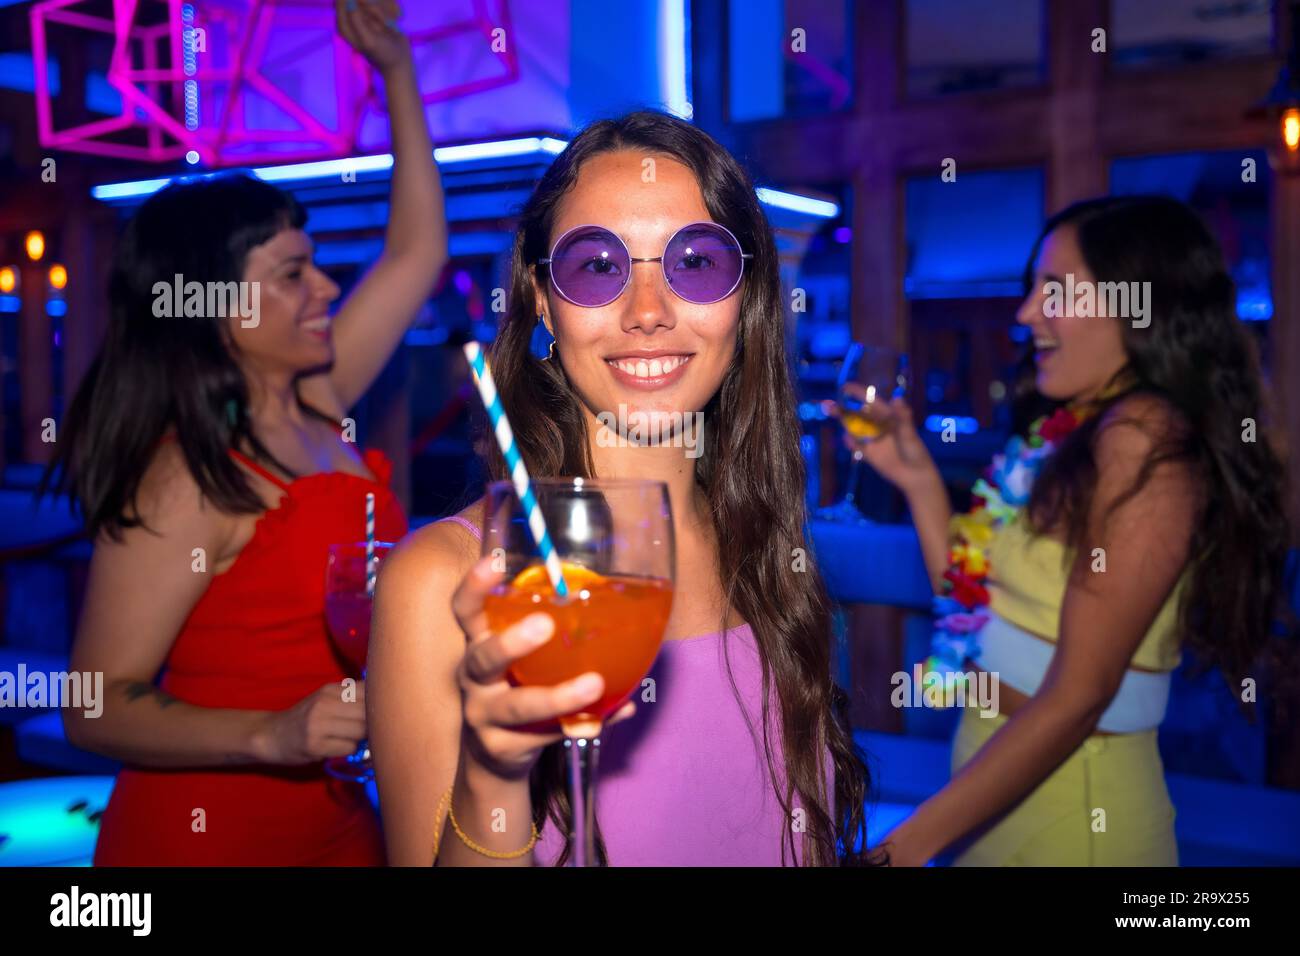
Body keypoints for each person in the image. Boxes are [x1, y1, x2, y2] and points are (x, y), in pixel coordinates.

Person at [370, 110, 876, 866]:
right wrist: (494, 773)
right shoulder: (442, 581)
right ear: (543, 300)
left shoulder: (763, 542)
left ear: (746, 300)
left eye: (696, 263)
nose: (647, 314)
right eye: (598, 267)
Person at [41, 0, 447, 865]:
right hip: (210, 838)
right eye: (294, 274)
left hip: (343, 820)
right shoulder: (187, 474)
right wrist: (273, 734)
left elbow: (416, 253)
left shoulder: (319, 399)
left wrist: (399, 74)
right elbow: (93, 703)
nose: (328, 290)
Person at [856, 195, 1289, 865]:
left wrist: (898, 850)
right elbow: (972, 605)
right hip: (992, 788)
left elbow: (1080, 695)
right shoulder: (1072, 431)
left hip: (1071, 815)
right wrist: (915, 478)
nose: (1027, 314)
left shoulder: (1144, 438)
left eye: (1054, 290)